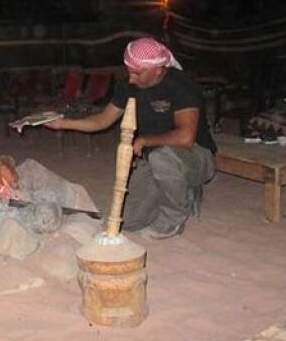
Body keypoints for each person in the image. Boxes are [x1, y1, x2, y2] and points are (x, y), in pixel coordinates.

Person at [46, 37, 217, 239]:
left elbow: (186, 137)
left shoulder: (181, 85)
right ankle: (176, 192)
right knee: (128, 220)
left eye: (137, 73)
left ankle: (174, 218)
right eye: (129, 71)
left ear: (158, 69)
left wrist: (145, 141)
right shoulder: (129, 87)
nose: (132, 78)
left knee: (161, 158)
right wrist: (62, 122)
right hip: (155, 161)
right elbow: (102, 120)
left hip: (196, 157)